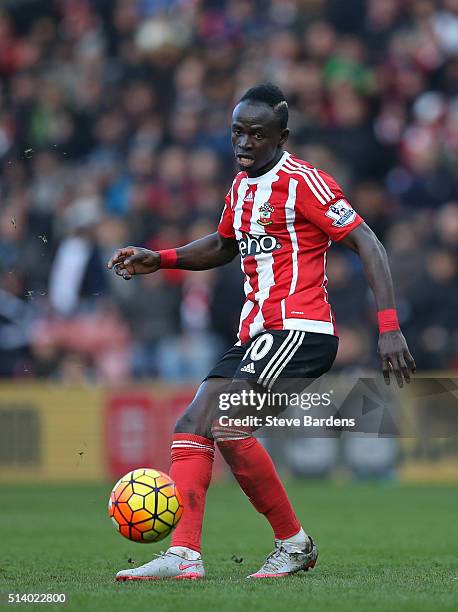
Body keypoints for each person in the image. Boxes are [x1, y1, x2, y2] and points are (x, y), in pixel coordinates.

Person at [108, 84, 415, 580]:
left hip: (300, 327)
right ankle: (185, 555)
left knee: (227, 423)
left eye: (256, 134)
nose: (244, 143)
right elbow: (225, 245)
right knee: (192, 424)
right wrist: (160, 258)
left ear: (281, 137)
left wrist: (388, 328)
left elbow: (369, 243)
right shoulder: (241, 185)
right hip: (255, 334)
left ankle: (291, 544)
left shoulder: (304, 182)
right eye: (237, 133)